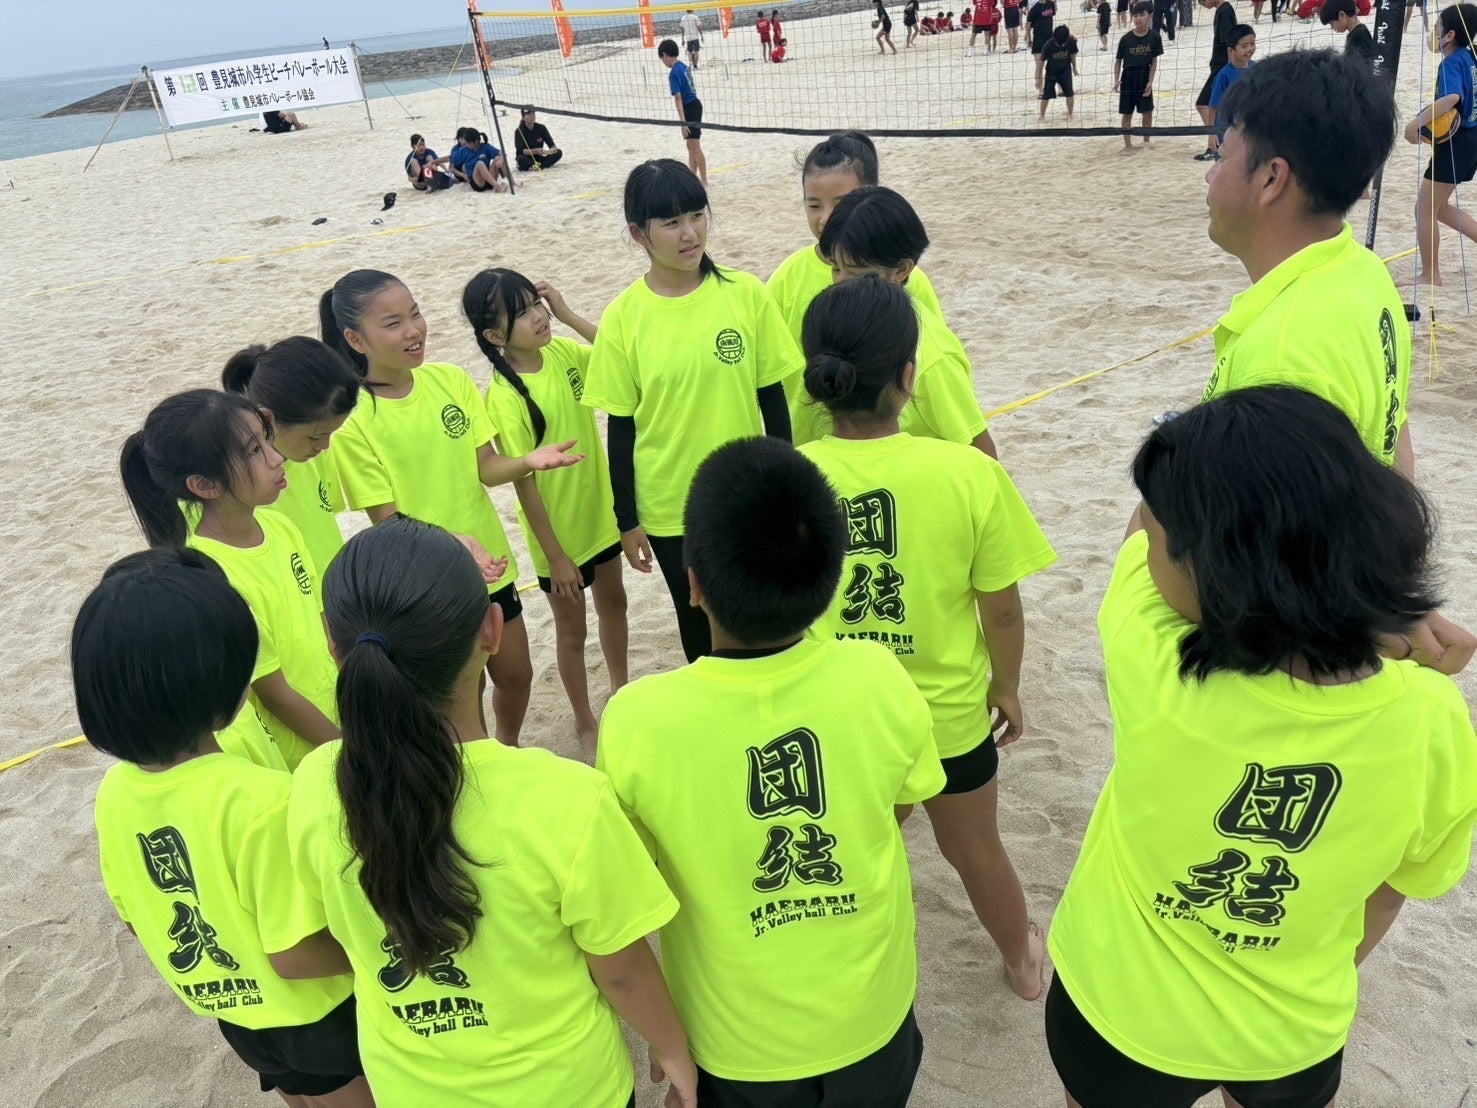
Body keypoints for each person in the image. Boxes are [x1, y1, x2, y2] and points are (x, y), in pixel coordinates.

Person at [1046, 387, 1477, 1108]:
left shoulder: (1150, 656)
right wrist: (1366, 610)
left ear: (1214, 576)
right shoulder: (1431, 719)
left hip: (1120, 1011)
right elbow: (1395, 888)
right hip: (1291, 1027)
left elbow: (1138, 535)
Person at [287, 517, 697, 1107]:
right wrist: (672, 1047)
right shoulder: (566, 797)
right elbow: (622, 971)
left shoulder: (313, 784)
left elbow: (320, 940)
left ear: (333, 644)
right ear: (492, 629)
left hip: (413, 1093)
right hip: (567, 1092)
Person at [597, 435, 944, 1105]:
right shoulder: (878, 676)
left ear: (693, 584)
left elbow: (635, 883)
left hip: (737, 1046)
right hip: (873, 1021)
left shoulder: (638, 720)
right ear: (831, 575)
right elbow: (897, 804)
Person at [799, 276, 1057, 1003]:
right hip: (943, 712)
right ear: (908, 376)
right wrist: (1006, 685)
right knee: (975, 850)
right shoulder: (967, 472)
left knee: (857, 846)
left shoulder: (794, 474)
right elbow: (1000, 612)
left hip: (837, 710)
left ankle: (850, 971)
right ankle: (1021, 962)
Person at [1207, 49, 1477, 674]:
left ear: (1271, 179)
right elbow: (1394, 426)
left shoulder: (1283, 354)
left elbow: (1256, 577)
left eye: (1221, 155)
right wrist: (1386, 582)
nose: (1209, 175)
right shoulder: (1360, 269)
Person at [76, 547, 372, 1108]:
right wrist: (382, 950)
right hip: (319, 1014)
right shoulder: (261, 799)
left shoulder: (114, 793)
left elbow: (135, 917)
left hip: (237, 1014)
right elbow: (295, 953)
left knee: (298, 1093)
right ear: (226, 689)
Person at [320, 269, 584, 746]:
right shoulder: (355, 420)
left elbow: (487, 467)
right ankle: (474, 755)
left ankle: (505, 745)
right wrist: (458, 546)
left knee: (517, 674)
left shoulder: (450, 380)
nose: (414, 330)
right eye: (393, 323)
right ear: (355, 339)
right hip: (430, 581)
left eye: (415, 314)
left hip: (492, 565)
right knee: (464, 690)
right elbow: (389, 522)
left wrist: (527, 461)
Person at [582, 160, 800, 663]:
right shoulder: (623, 318)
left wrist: (785, 487)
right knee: (696, 617)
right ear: (639, 234)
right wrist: (627, 519)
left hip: (747, 492)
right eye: (671, 222)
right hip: (669, 503)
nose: (690, 233)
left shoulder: (745, 294)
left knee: (761, 609)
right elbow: (620, 427)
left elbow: (772, 400)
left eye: (697, 215)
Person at [120, 390, 339, 772]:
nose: (276, 457)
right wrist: (348, 746)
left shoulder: (279, 525)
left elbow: (322, 624)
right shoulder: (209, 576)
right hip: (302, 754)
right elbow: (276, 695)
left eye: (266, 439)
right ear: (204, 485)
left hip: (337, 712)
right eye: (254, 451)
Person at [463, 268, 627, 760]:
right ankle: (583, 719)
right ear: (495, 337)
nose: (538, 317)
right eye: (522, 313)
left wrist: (568, 314)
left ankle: (621, 692)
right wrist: (556, 556)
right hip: (558, 536)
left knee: (615, 604)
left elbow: (616, 352)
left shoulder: (562, 353)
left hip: (600, 515)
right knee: (572, 632)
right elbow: (525, 484)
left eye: (537, 304)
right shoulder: (506, 396)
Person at [811, 186, 997, 456]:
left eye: (855, 273)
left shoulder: (933, 357)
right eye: (835, 268)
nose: (841, 283)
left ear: (902, 269)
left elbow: (981, 451)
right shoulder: (849, 324)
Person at [767, 132, 945, 359]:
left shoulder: (905, 278)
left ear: (871, 197)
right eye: (814, 206)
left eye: (842, 203)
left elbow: (932, 348)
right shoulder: (788, 277)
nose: (826, 218)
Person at [221, 337, 359, 582]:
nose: (325, 446)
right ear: (268, 419)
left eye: (330, 434)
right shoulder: (238, 487)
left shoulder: (311, 454)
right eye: (315, 436)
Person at [1407, 4, 1477, 288]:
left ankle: (1430, 275)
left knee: (1423, 209)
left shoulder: (1451, 63)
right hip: (1471, 140)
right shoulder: (1470, 56)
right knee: (1440, 207)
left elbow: (1451, 99)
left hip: (1457, 143)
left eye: (1438, 27)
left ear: (1450, 35)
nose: (1434, 31)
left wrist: (1416, 123)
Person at [1114, 1, 1164, 153]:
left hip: (1144, 76)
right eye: (1135, 15)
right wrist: (1116, 79)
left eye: (1142, 15)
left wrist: (1150, 81)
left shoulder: (1155, 37)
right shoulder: (1125, 39)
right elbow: (1118, 61)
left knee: (1147, 111)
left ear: (1150, 16)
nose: (1138, 18)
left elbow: (1154, 61)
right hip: (1128, 78)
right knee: (1127, 113)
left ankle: (1146, 141)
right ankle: (1128, 145)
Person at [657, 40, 708, 186]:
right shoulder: (684, 66)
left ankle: (704, 182)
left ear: (665, 55)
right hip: (695, 104)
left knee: (695, 146)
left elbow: (678, 97)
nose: (663, 62)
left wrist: (683, 122)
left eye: (662, 59)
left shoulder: (674, 73)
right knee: (690, 145)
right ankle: (693, 177)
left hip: (690, 108)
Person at [1194, 0, 1239, 160]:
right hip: (1220, 66)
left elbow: (1229, 44)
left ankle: (1217, 143)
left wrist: (1229, 69)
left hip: (1222, 67)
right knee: (1214, 106)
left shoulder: (1225, 11)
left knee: (1203, 104)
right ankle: (1218, 143)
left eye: (1202, 0)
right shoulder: (1221, 10)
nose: (1200, 3)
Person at [1207, 23, 1256, 129]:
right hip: (1227, 129)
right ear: (1231, 50)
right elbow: (1213, 107)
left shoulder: (1257, 68)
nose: (1250, 49)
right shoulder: (1224, 75)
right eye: (1244, 46)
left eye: (1252, 44)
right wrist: (1212, 132)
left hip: (1249, 127)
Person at [450, 126, 510, 192]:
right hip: (477, 182)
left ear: (476, 141)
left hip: (489, 180)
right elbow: (453, 162)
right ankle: (498, 187)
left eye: (468, 143)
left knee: (497, 158)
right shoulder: (464, 150)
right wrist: (463, 175)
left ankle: (512, 183)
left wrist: (501, 160)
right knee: (479, 163)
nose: (466, 145)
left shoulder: (485, 147)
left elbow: (502, 153)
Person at [1039, 25, 1081, 120]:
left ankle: (1070, 114)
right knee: (1046, 95)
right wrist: (1038, 78)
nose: (1061, 46)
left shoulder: (1071, 41)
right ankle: (1042, 116)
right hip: (1051, 72)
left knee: (1069, 93)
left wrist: (1074, 68)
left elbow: (1073, 55)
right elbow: (1041, 63)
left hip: (1065, 71)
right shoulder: (1048, 45)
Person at [513, 106, 563, 171]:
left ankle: (538, 166)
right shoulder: (519, 131)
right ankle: (539, 166)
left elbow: (552, 146)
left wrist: (549, 152)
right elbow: (522, 151)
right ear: (523, 118)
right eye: (528, 114)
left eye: (533, 113)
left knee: (558, 152)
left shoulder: (541, 128)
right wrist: (536, 151)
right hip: (527, 158)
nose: (532, 116)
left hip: (539, 158)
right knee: (520, 159)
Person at [1028, 0, 1058, 88]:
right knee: (1039, 66)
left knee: (1055, 64)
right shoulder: (1034, 9)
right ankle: (1040, 89)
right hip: (1038, 40)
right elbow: (1028, 26)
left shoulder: (1051, 4)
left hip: (1050, 39)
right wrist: (1029, 40)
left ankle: (1060, 89)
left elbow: (1053, 14)